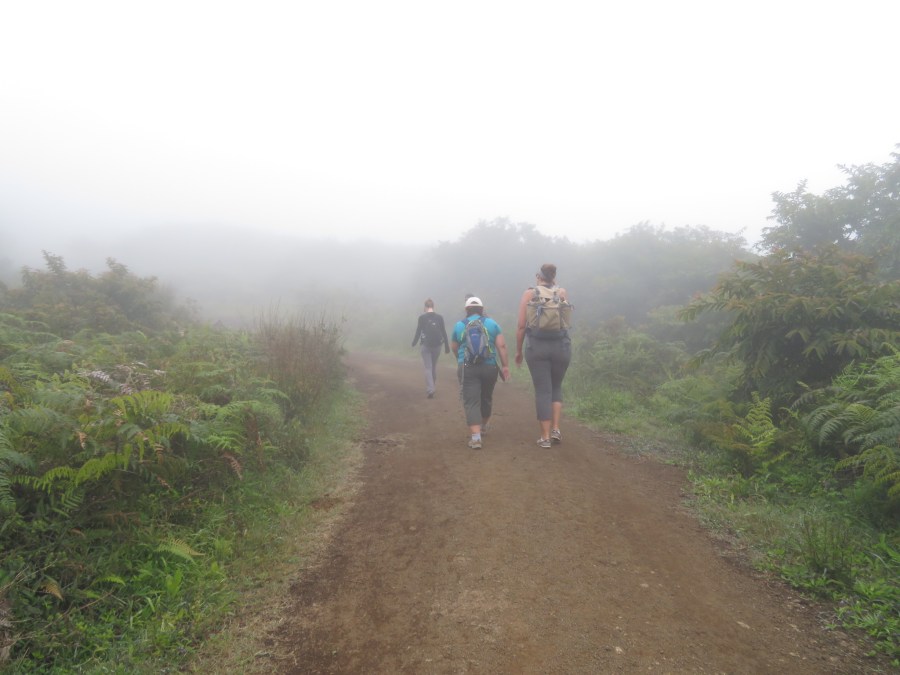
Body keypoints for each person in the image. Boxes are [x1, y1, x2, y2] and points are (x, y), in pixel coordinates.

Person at [515, 263, 572, 449]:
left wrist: (518, 351)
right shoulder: (561, 292)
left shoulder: (529, 294)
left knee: (542, 390)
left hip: (537, 347)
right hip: (561, 346)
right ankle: (556, 429)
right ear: (554, 277)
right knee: (556, 387)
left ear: (538, 277)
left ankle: (545, 437)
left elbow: (521, 326)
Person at [450, 296, 511, 449]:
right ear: (482, 309)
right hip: (489, 367)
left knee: (471, 401)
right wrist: (505, 366)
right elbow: (502, 346)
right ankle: (483, 426)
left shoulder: (459, 325)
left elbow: (454, 347)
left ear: (466, 309)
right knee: (486, 397)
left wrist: (460, 360)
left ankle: (476, 438)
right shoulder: (492, 324)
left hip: (467, 367)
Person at [411, 298, 450, 398]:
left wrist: (414, 343)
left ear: (425, 307)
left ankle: (431, 389)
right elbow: (444, 332)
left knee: (428, 367)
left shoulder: (422, 318)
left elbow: (418, 331)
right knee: (433, 366)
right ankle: (432, 385)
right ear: (433, 306)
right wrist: (447, 346)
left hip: (426, 346)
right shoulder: (439, 317)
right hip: (437, 346)